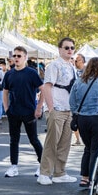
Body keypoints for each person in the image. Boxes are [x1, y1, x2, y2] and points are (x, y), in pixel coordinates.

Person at [37, 37, 78, 185]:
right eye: (66, 47)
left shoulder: (71, 66)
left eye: (72, 48)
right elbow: (47, 86)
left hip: (69, 109)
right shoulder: (54, 65)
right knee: (52, 142)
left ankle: (60, 172)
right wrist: (51, 108)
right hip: (57, 108)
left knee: (65, 142)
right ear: (60, 49)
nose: (69, 50)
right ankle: (44, 173)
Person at [1, 46, 45, 178]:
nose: (16, 58)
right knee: (13, 140)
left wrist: (39, 108)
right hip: (13, 111)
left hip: (29, 111)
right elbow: (5, 92)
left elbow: (43, 89)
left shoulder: (31, 73)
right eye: (14, 56)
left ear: (25, 57)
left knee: (33, 140)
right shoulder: (9, 74)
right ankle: (13, 166)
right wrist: (6, 108)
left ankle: (43, 166)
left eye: (19, 56)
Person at [69, 57, 98, 188]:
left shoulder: (79, 81)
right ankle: (92, 179)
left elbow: (72, 101)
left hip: (82, 119)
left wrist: (76, 113)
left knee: (88, 148)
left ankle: (84, 178)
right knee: (96, 149)